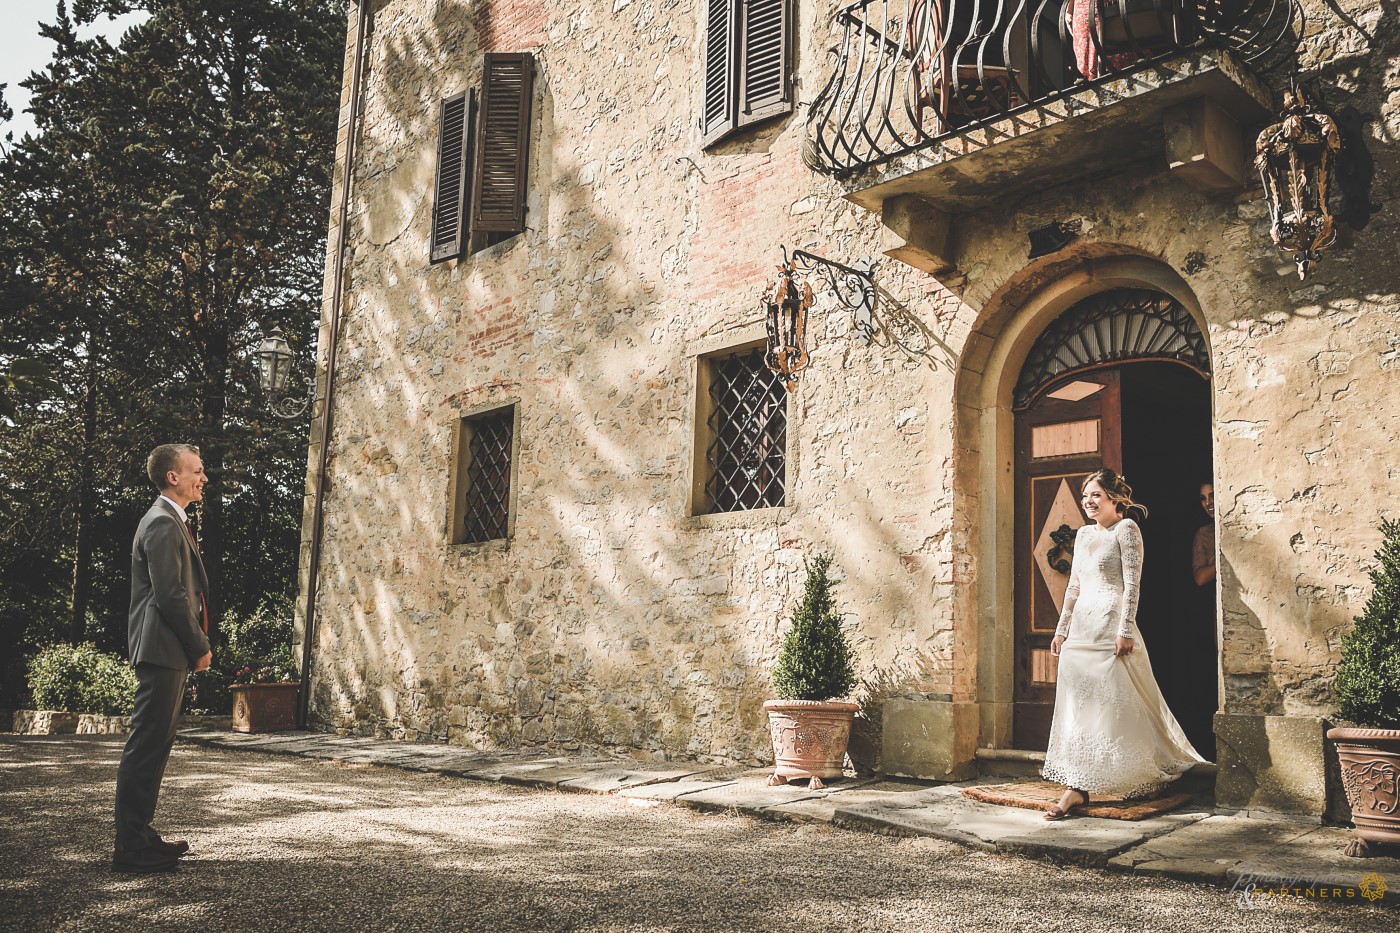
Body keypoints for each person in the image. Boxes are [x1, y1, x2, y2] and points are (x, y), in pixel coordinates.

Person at [1041, 468, 1203, 820]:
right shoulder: (1083, 535)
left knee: (1112, 704)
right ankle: (1076, 785)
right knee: (1076, 706)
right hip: (1081, 628)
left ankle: (1125, 774)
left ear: (1115, 498)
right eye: (1085, 497)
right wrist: (1060, 630)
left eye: (1095, 495)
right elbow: (1074, 587)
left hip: (1109, 623)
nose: (1088, 502)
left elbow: (1132, 585)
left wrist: (1125, 629)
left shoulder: (1126, 529)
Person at [112, 444, 213, 872]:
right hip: (162, 648)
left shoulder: (170, 520)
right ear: (173, 477)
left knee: (155, 745)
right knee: (145, 746)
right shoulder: (161, 522)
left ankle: (141, 834)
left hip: (165, 649)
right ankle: (131, 848)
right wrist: (200, 645)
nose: (203, 478)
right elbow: (170, 595)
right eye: (197, 470)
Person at [1192, 482, 1215, 587]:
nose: (1207, 503)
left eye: (1212, 496)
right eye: (1203, 498)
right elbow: (1200, 578)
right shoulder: (1203, 533)